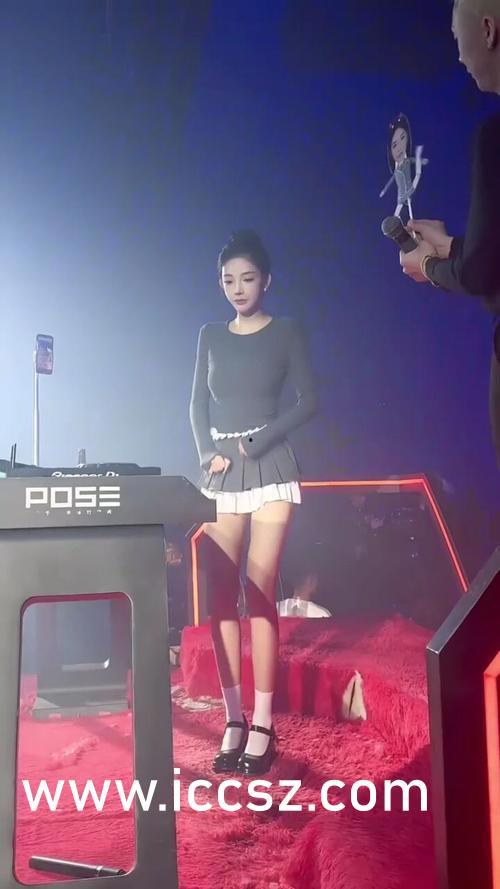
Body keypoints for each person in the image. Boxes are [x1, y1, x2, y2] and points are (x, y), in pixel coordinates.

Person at [189, 229, 318, 775]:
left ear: (267, 280)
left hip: (271, 467)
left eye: (247, 278)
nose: (237, 288)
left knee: (259, 591)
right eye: (228, 280)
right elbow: (196, 405)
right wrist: (207, 454)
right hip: (223, 471)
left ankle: (264, 723)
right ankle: (234, 718)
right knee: (221, 596)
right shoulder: (209, 335)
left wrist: (256, 441)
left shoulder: (286, 330)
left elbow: (310, 401)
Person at [399, 0, 500, 466]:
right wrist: (453, 246)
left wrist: (429, 265)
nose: (458, 55)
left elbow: (480, 274)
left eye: (459, 39)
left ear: (488, 30)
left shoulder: (494, 137)